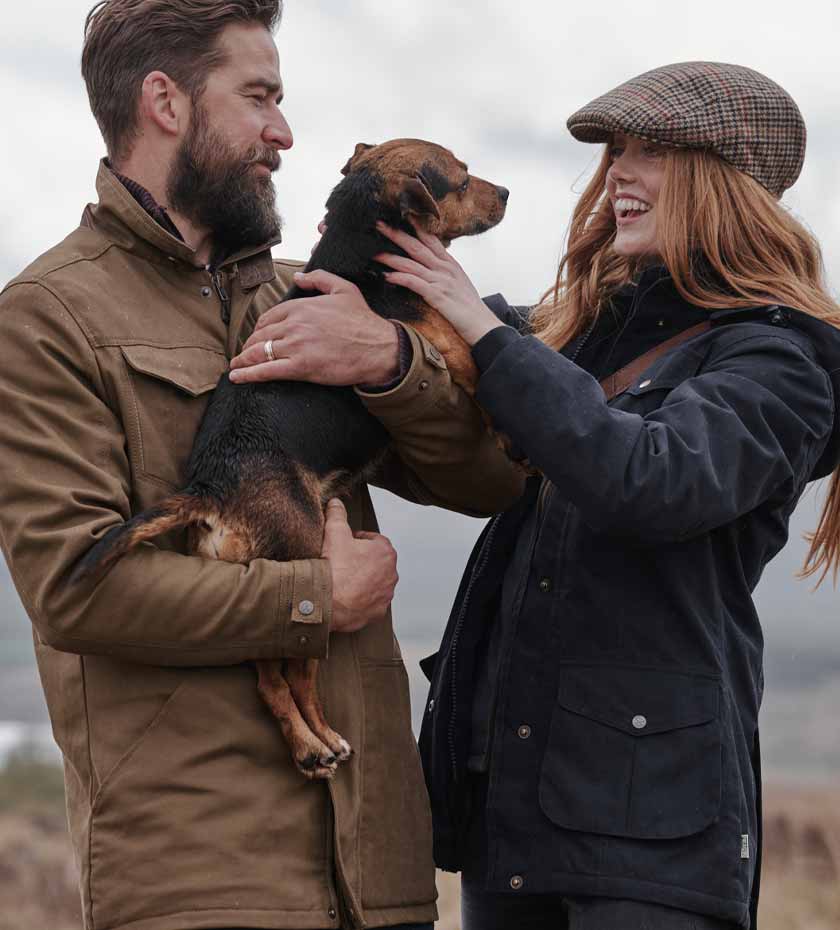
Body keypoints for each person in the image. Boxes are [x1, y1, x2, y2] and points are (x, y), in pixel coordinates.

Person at [0, 2, 524, 930]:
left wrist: (394, 365)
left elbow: (486, 483)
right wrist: (319, 595)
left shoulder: (315, 290)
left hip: (379, 869)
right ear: (165, 101)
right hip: (203, 878)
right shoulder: (46, 318)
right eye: (259, 98)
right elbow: (78, 590)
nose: (285, 132)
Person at [366, 62, 840, 929]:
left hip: (652, 844)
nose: (616, 172)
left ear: (720, 181)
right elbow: (460, 376)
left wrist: (475, 327)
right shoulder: (575, 336)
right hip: (511, 817)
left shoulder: (780, 362)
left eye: (649, 150)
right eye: (615, 151)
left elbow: (650, 479)